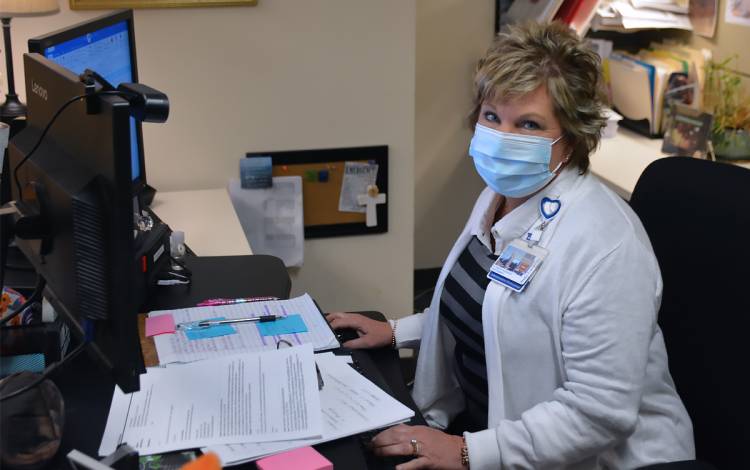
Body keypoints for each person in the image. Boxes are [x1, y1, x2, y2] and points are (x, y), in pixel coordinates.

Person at [327, 21, 695, 470]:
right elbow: (498, 312)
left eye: (529, 124)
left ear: (573, 138)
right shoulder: (503, 197)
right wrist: (399, 332)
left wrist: (465, 452)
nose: (503, 137)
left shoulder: (608, 246)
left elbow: (600, 412)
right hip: (493, 429)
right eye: (492, 117)